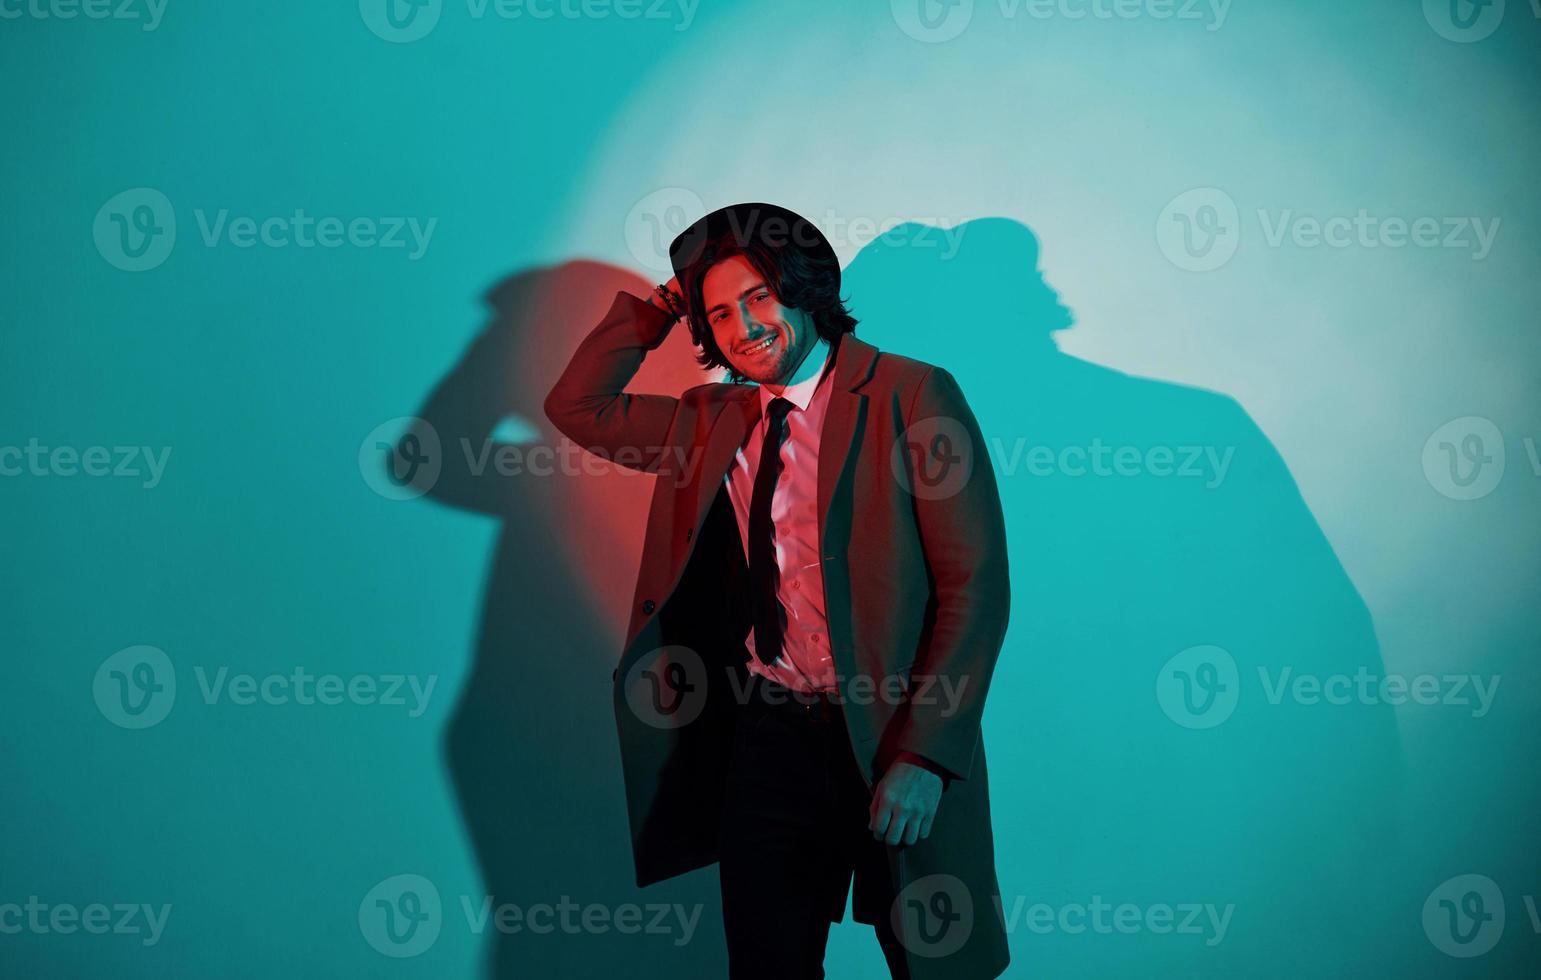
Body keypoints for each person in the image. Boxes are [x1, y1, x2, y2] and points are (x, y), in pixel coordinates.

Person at [543, 202, 1012, 979]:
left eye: (758, 296)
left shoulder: (910, 393)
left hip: (892, 736)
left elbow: (975, 588)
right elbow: (577, 409)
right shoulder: (708, 418)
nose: (743, 326)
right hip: (768, 740)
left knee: (935, 968)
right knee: (768, 968)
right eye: (719, 314)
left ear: (803, 287)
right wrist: (671, 297)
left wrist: (925, 758)